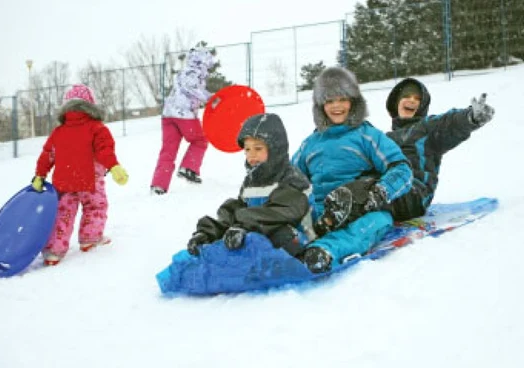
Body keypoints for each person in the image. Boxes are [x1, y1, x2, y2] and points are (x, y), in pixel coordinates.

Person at [291, 66, 414, 273]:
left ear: (354, 102)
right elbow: (290, 178)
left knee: (374, 223)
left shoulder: (367, 136)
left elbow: (402, 169)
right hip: (321, 211)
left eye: (342, 99)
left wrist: (380, 192)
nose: (336, 106)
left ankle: (324, 251)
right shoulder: (310, 144)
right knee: (292, 224)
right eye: (329, 101)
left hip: (362, 208)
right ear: (320, 106)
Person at [186, 113, 313, 258]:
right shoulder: (251, 181)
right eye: (247, 149)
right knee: (235, 223)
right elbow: (240, 210)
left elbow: (282, 212)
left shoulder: (291, 177)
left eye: (258, 149)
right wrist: (210, 232)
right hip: (259, 232)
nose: (251, 155)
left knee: (277, 235)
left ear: (275, 149)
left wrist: (244, 226)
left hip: (300, 238)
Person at [32, 84, 129, 266]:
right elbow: (104, 150)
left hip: (64, 183)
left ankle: (54, 251)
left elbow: (47, 155)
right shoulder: (97, 128)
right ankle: (90, 238)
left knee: (63, 214)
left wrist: (40, 175)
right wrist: (114, 166)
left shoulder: (58, 132)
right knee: (95, 208)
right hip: (90, 181)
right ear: (91, 106)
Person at [380, 77, 495, 222]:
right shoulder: (384, 139)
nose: (412, 100)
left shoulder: (427, 127)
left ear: (422, 106)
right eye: (406, 96)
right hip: (385, 189)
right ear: (396, 103)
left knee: (370, 196)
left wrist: (470, 117)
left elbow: (449, 123)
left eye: (417, 98)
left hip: (414, 194)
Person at [150, 46, 216, 195]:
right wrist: (209, 98)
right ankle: (189, 168)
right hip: (183, 114)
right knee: (200, 140)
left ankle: (159, 185)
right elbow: (190, 87)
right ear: (203, 61)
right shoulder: (195, 72)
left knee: (168, 151)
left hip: (168, 115)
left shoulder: (184, 71)